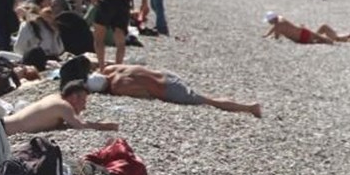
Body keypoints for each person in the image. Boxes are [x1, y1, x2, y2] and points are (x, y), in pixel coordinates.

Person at [85, 65, 261, 118]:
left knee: (208, 100)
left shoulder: (118, 86)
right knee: (206, 96)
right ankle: (248, 106)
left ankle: (249, 107)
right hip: (166, 74)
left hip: (168, 89)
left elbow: (146, 94)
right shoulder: (112, 69)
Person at [2, 81, 119, 135]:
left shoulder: (54, 97)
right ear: (74, 97)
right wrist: (106, 126)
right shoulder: (63, 106)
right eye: (83, 101)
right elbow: (80, 126)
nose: (84, 107)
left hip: (2, 124)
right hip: (2, 131)